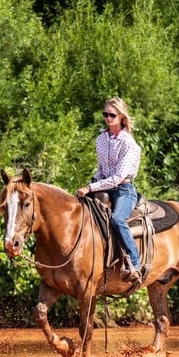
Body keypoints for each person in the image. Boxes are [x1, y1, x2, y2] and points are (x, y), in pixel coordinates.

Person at [75, 97, 142, 284]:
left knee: (117, 219)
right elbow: (102, 170)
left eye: (112, 115)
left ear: (121, 117)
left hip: (123, 190)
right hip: (104, 187)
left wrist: (90, 187)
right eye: (105, 114)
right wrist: (93, 182)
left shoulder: (130, 144)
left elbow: (118, 177)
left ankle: (135, 264)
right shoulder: (101, 140)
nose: (108, 118)